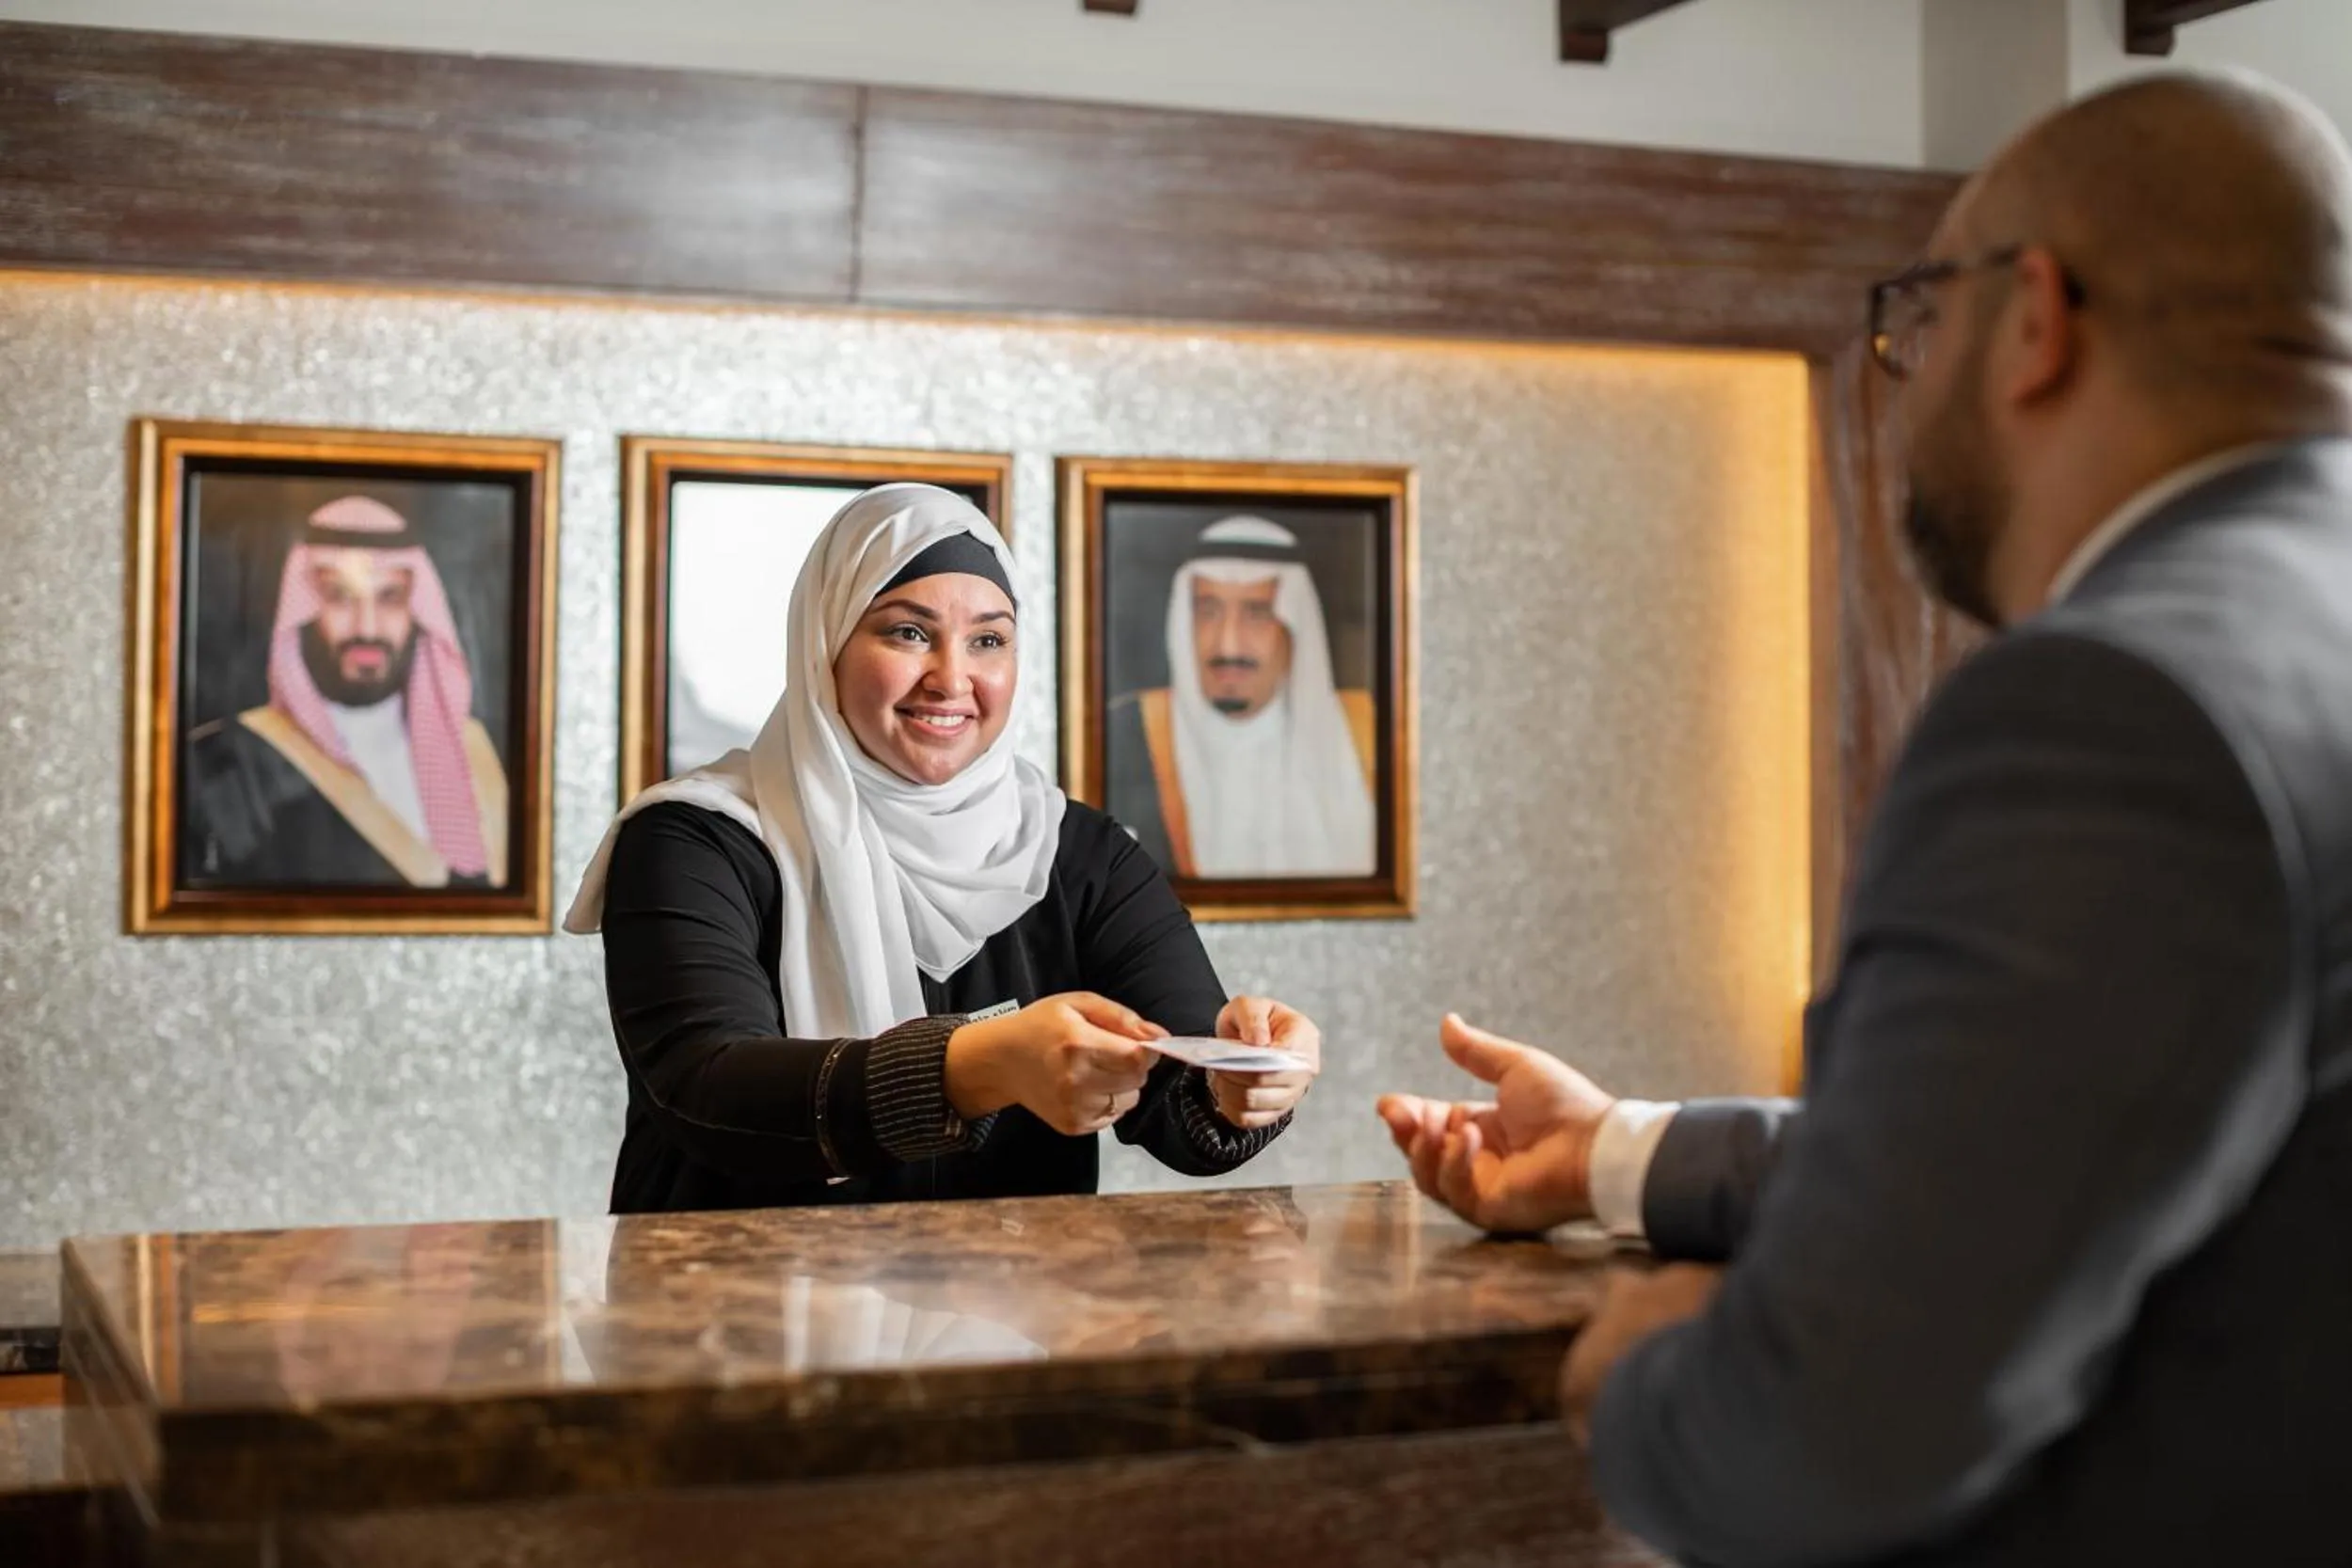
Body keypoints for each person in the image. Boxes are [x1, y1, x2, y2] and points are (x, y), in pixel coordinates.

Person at [1380, 70, 2352, 1567]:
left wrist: (1640, 1378)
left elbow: (1831, 1427)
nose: (1906, 379)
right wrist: (1614, 1149)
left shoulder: (2112, 705)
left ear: (2035, 320)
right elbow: (2066, 1140)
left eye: (1924, 317)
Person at [568, 483, 1320, 1212]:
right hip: (725, 1293)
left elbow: (1187, 1098)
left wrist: (1245, 1078)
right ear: (826, 643)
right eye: (908, 632)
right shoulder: (696, 839)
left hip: (1013, 1296)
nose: (951, 678)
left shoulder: (1081, 854)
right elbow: (706, 1089)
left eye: (988, 639)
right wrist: (982, 1063)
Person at [182, 495, 507, 890]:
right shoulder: (221, 764)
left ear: (418, 610)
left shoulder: (485, 751)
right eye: (339, 597)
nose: (366, 628)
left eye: (390, 597)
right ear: (303, 609)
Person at [1105, 515, 1376, 878]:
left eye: (1257, 613)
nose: (1228, 644)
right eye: (1208, 612)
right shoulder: (1127, 734)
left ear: (1295, 625)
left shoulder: (1369, 735)